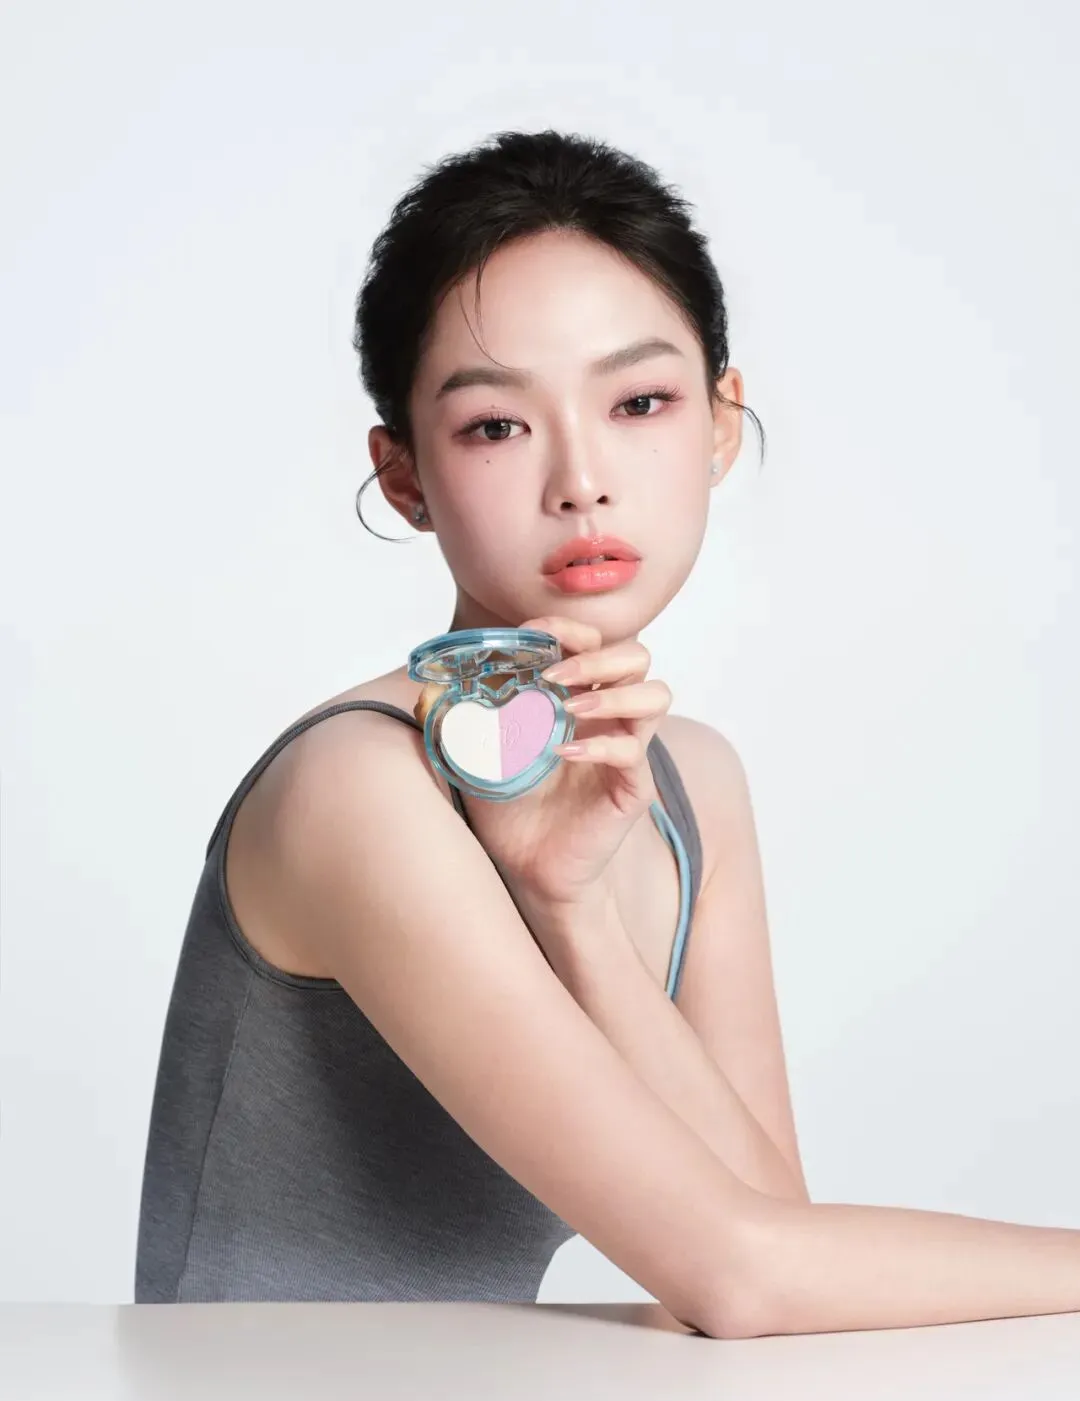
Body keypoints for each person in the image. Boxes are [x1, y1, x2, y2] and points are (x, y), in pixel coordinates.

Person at [135, 128, 1080, 1337]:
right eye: (495, 425)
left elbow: (770, 1232)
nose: (581, 479)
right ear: (405, 474)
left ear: (721, 422)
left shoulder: (689, 784)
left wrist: (569, 907)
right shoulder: (357, 789)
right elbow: (745, 1277)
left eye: (639, 402)